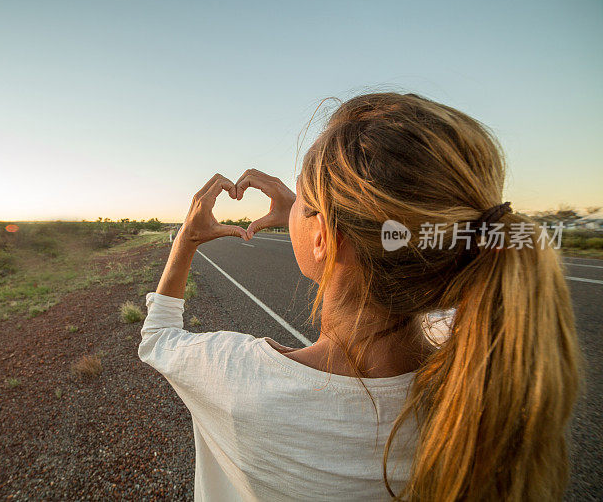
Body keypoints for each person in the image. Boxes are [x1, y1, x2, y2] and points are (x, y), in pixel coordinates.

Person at [138, 92, 581, 501]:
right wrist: (317, 213)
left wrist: (186, 240)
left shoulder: (236, 377)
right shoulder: (481, 359)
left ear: (325, 238)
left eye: (301, 202)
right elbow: (385, 243)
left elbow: (156, 338)